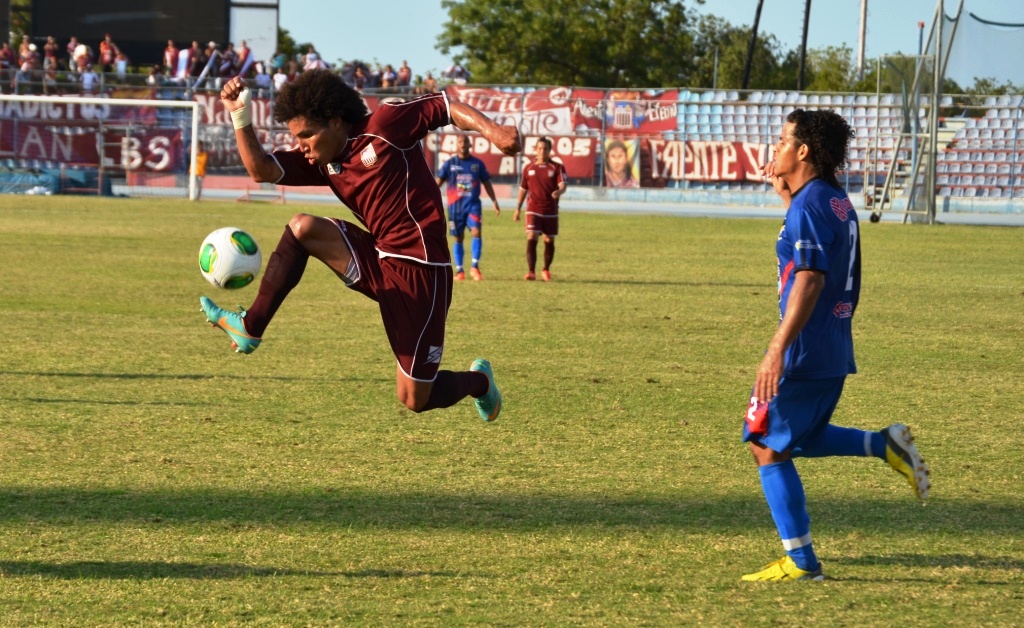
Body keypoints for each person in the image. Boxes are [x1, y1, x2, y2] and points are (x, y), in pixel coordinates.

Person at [200, 70, 521, 422]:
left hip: (423, 272)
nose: (301, 146)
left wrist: (494, 132)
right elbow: (261, 169)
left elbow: (445, 107)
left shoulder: (385, 124)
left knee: (414, 397)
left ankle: (479, 383)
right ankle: (251, 326)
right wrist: (238, 114)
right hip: (379, 257)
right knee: (302, 227)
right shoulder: (321, 160)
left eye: (306, 135)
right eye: (297, 138)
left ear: (336, 122)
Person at [740, 108, 931, 582]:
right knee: (797, 437)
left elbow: (809, 276)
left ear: (803, 151)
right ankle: (883, 444)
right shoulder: (833, 200)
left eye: (783, 141)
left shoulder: (809, 206)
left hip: (802, 350)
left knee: (765, 443)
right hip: (832, 345)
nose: (776, 148)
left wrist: (776, 349)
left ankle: (802, 562)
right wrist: (785, 191)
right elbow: (810, 236)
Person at [435, 135, 500, 281]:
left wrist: (494, 200)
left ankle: (475, 268)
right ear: (456, 145)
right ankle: (460, 271)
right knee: (458, 237)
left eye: (465, 141)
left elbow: (487, 183)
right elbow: (437, 183)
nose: (463, 144)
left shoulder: (477, 164)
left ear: (470, 145)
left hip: (473, 206)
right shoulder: (450, 164)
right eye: (460, 142)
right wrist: (426, 198)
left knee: (476, 232)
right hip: (455, 208)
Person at [513, 137, 566, 281]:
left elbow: (563, 185)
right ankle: (531, 271)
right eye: (540, 148)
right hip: (533, 209)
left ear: (550, 150)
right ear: (535, 149)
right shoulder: (528, 168)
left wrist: (558, 192)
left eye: (546, 149)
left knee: (549, 240)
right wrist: (517, 208)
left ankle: (546, 269)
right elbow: (523, 189)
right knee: (531, 236)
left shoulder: (557, 167)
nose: (543, 151)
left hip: (550, 210)